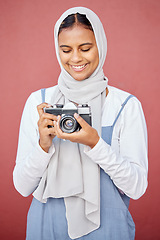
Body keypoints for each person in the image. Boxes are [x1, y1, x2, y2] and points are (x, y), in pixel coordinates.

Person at [13, 7, 148, 240]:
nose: (75, 58)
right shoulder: (40, 102)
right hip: (46, 228)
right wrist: (43, 146)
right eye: (66, 50)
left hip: (108, 231)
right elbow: (22, 187)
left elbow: (136, 188)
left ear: (101, 46)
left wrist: (96, 144)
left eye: (85, 48)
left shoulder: (125, 105)